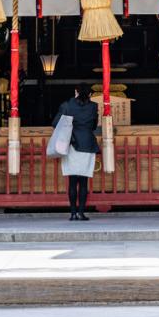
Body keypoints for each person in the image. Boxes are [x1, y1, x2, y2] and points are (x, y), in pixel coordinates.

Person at [55, 84, 100, 221]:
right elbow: (93, 126)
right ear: (90, 94)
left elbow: (55, 123)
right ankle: (81, 213)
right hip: (87, 144)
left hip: (72, 145)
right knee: (84, 182)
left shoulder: (67, 105)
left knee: (72, 182)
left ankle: (73, 213)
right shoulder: (93, 106)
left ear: (76, 92)